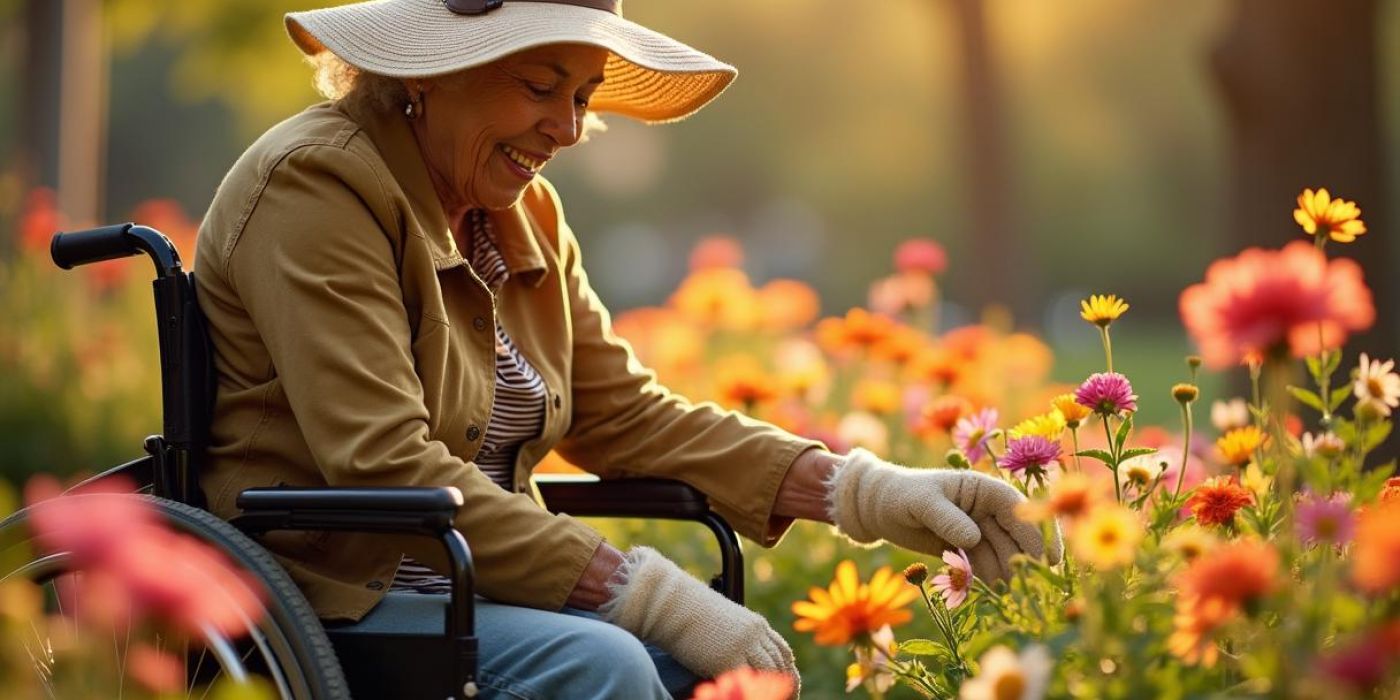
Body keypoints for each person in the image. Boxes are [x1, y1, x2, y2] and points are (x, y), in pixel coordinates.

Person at [193, 1, 1063, 697]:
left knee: (724, 671)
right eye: (540, 86)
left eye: (582, 96)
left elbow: (624, 415)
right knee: (599, 664)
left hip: (478, 589)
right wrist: (637, 594)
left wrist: (860, 490)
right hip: (335, 591)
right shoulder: (318, 185)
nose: (568, 129)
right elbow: (383, 466)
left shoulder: (520, 212)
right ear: (431, 71)